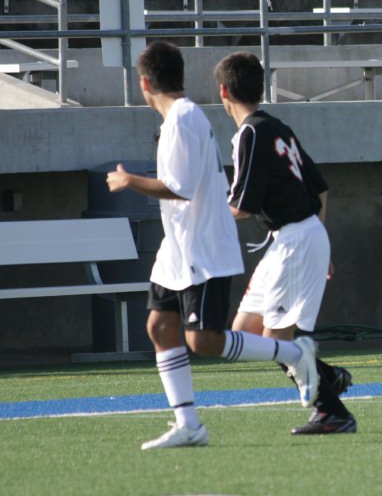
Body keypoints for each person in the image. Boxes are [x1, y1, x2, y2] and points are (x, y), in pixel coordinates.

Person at [107, 41, 319, 450]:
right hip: (178, 249)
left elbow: (180, 189)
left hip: (203, 249)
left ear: (144, 82)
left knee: (204, 341)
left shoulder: (184, 117)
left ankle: (294, 354)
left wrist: (129, 180)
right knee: (159, 326)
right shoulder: (177, 119)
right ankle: (188, 424)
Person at [216, 51, 356, 435]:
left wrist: (198, 217)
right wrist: (320, 237)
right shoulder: (277, 127)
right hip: (293, 238)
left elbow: (241, 207)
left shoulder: (251, 133)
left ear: (223, 91)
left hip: (295, 240)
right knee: (245, 331)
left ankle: (332, 411)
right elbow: (321, 188)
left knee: (278, 337)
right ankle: (327, 375)